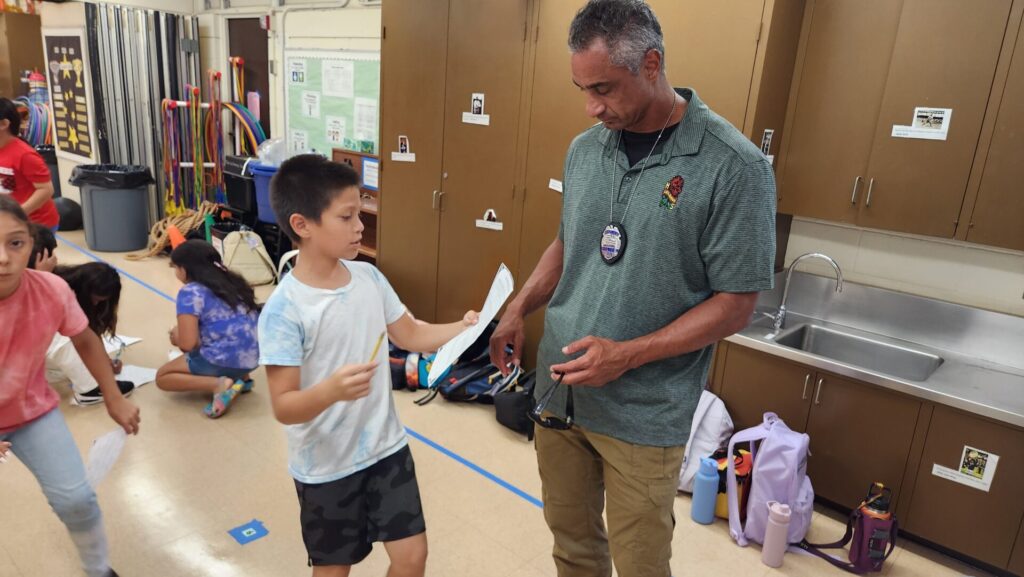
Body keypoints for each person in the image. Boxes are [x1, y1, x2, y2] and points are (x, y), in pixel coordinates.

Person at [489, 2, 777, 576]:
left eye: (604, 88)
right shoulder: (585, 149)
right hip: (560, 391)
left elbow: (737, 304)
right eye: (582, 89)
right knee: (572, 549)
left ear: (651, 63)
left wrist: (628, 355)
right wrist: (516, 309)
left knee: (642, 564)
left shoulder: (734, 166)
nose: (593, 107)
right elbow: (569, 242)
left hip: (644, 413)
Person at [258, 154, 478, 577]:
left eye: (360, 212)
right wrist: (331, 391)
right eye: (346, 216)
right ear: (302, 225)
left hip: (386, 448)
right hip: (326, 467)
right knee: (334, 570)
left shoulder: (369, 279)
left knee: (412, 557)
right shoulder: (285, 310)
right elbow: (284, 406)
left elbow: (411, 334)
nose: (360, 226)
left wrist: (464, 328)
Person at [0, 195, 140, 577]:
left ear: (31, 243)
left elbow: (85, 339)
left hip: (31, 412)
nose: (3, 257)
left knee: (77, 499)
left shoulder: (51, 290)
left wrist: (112, 395)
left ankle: (97, 569)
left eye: (15, 243)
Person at [155, 240, 260, 418]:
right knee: (234, 334)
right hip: (253, 359)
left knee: (163, 377)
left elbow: (188, 345)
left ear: (185, 269)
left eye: (176, 267)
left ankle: (217, 384)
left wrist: (176, 336)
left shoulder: (190, 292)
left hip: (220, 359)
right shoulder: (234, 282)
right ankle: (243, 378)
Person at [45, 262, 137, 405]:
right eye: (95, 299)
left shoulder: (83, 296)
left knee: (77, 343)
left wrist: (104, 361)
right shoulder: (58, 289)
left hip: (36, 359)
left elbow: (91, 331)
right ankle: (89, 391)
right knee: (65, 337)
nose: (95, 304)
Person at [0, 97, 59, 230]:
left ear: (4, 124)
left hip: (36, 224)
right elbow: (8, 183)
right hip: (8, 222)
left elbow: (46, 190)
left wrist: (19, 213)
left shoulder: (25, 155)